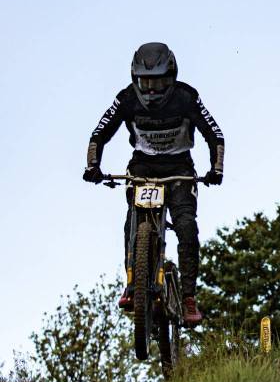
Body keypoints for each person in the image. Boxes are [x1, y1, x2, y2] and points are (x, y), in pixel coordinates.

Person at [82, 42, 224, 326]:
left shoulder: (186, 97)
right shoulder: (126, 99)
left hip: (179, 169)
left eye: (158, 81)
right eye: (146, 81)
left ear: (171, 76)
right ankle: (133, 283)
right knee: (133, 217)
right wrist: (92, 166)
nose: (152, 89)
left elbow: (215, 134)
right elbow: (99, 133)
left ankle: (188, 298)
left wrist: (215, 169)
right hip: (142, 166)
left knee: (185, 224)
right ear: (135, 78)